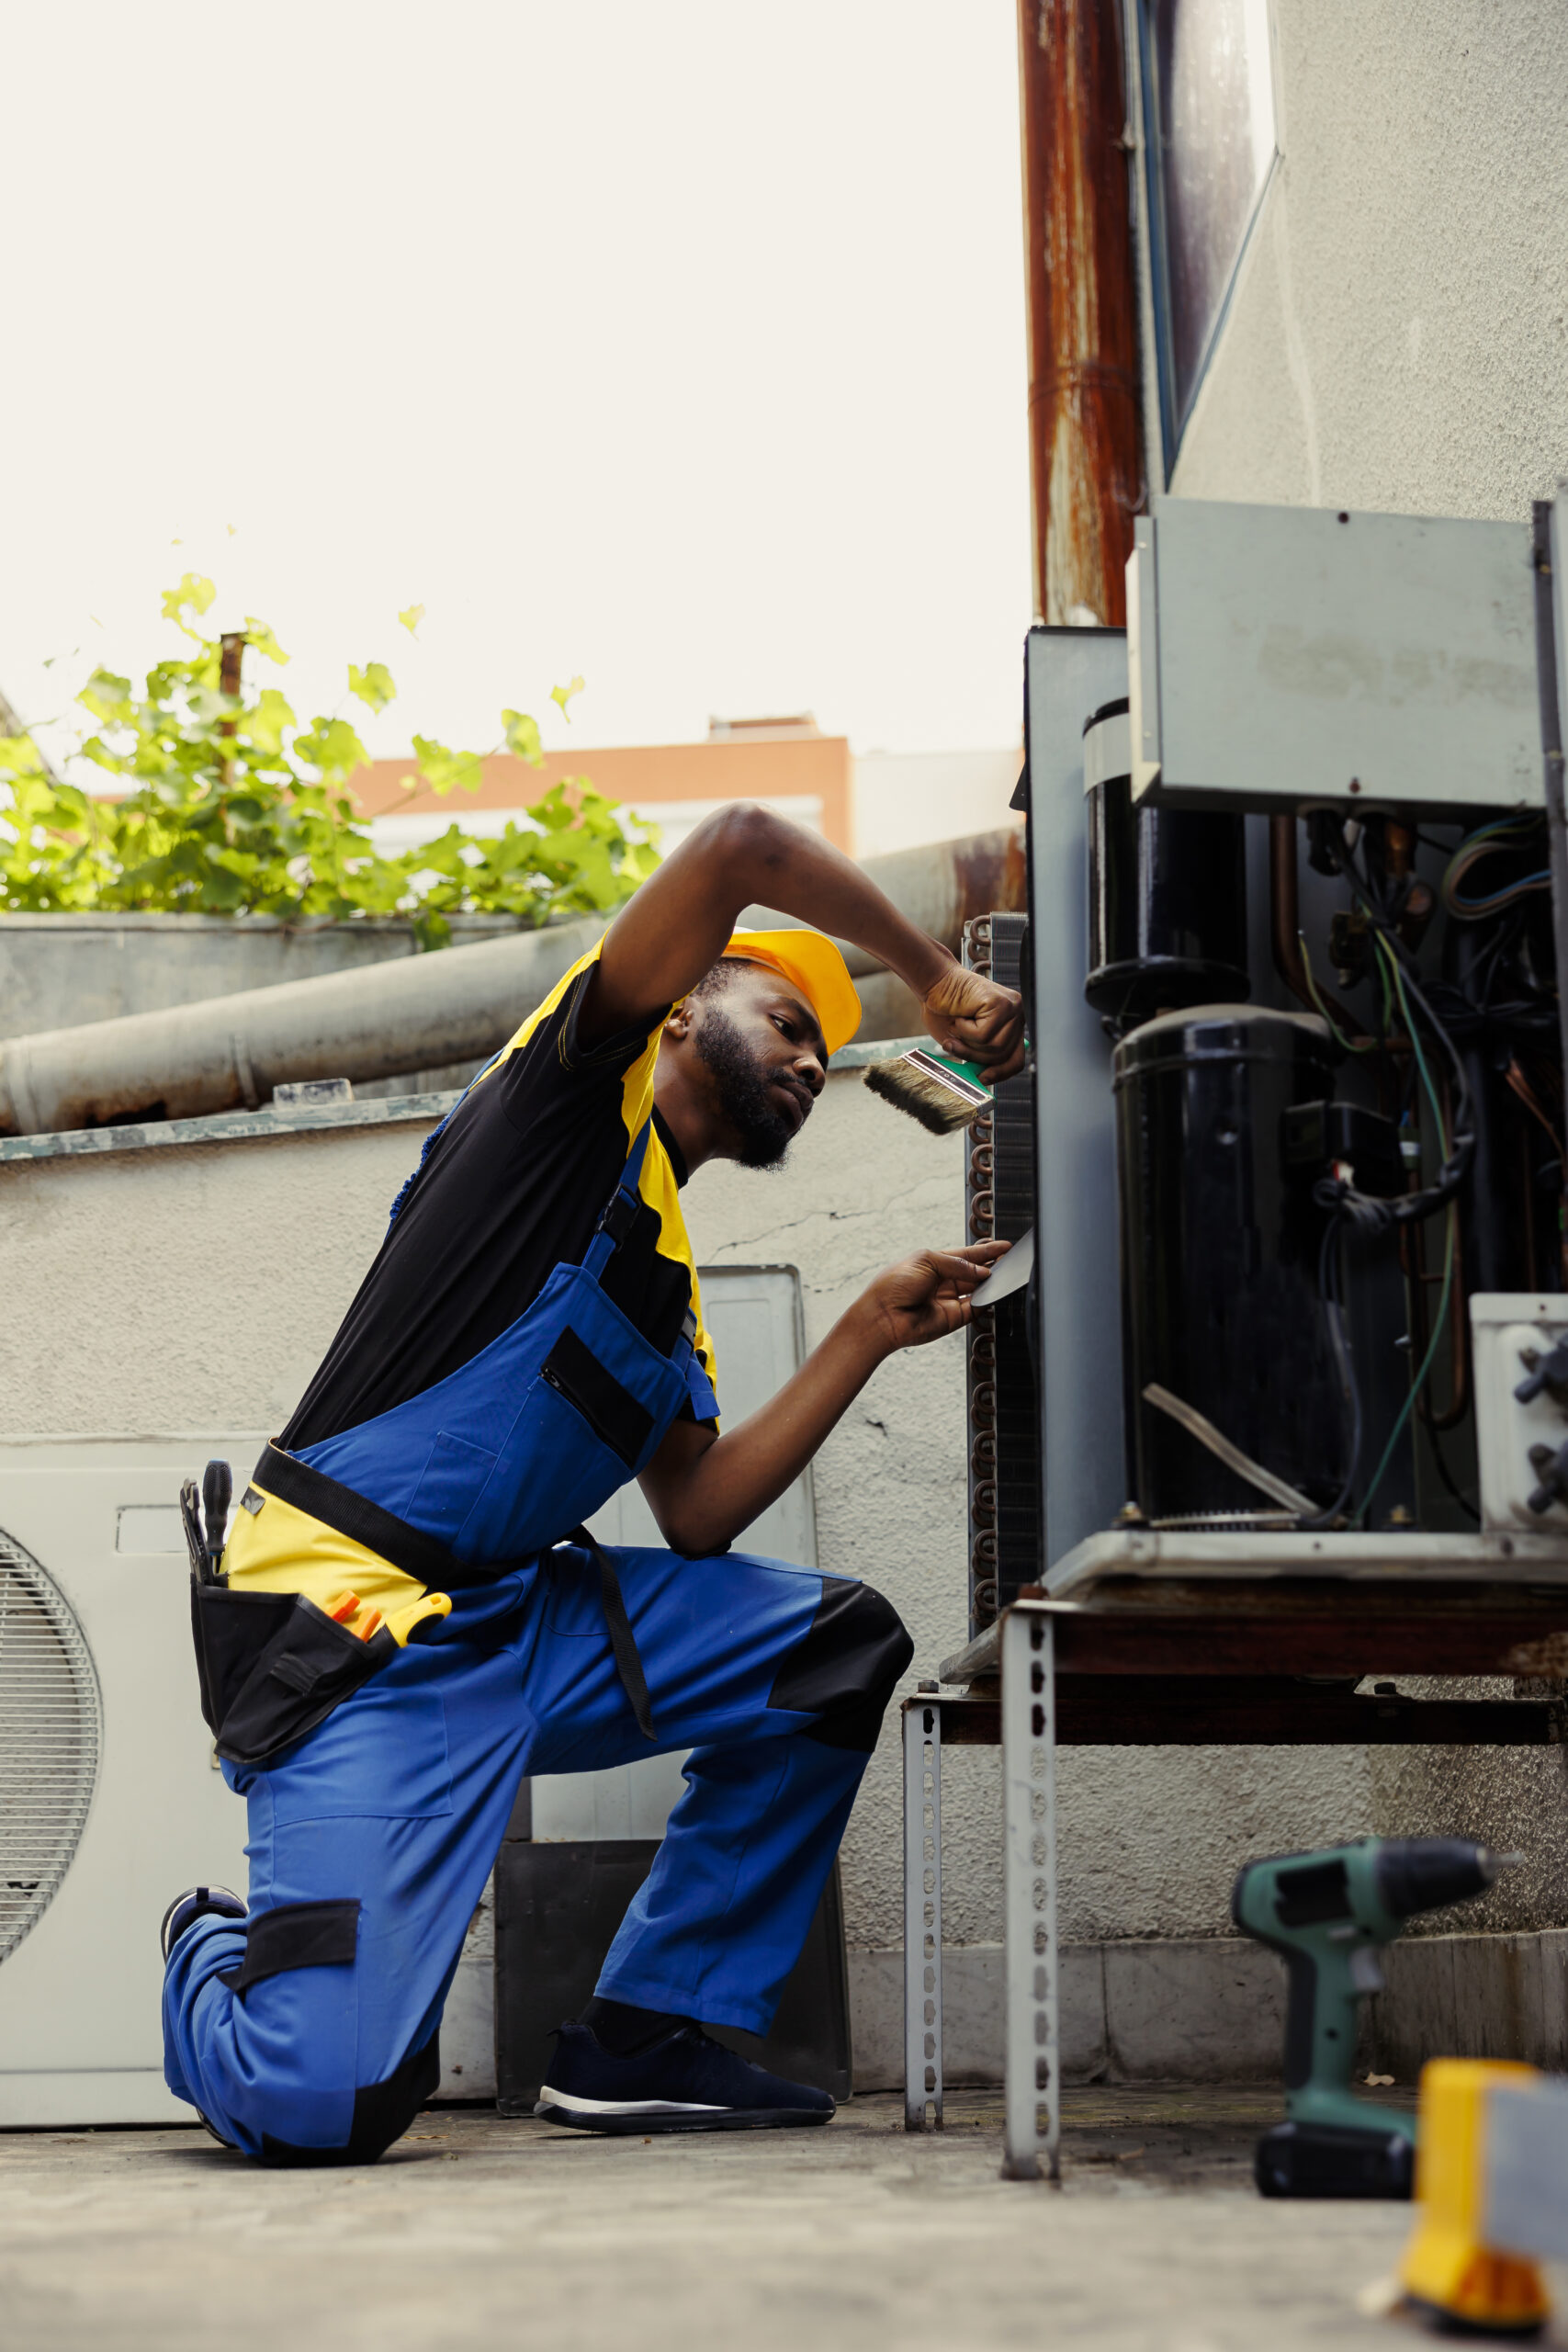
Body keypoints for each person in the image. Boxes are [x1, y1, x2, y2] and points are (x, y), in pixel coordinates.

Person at [161, 803, 1024, 2163]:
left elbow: (697, 1514)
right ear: (680, 1004)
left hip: (524, 1627)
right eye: (785, 1020)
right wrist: (936, 974)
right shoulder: (569, 1092)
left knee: (832, 1648)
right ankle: (213, 1946)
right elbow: (740, 838)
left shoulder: (667, 1282)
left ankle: (640, 2036)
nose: (809, 1059)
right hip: (355, 1642)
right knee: (323, 2104)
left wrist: (866, 1326)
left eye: (823, 1050)